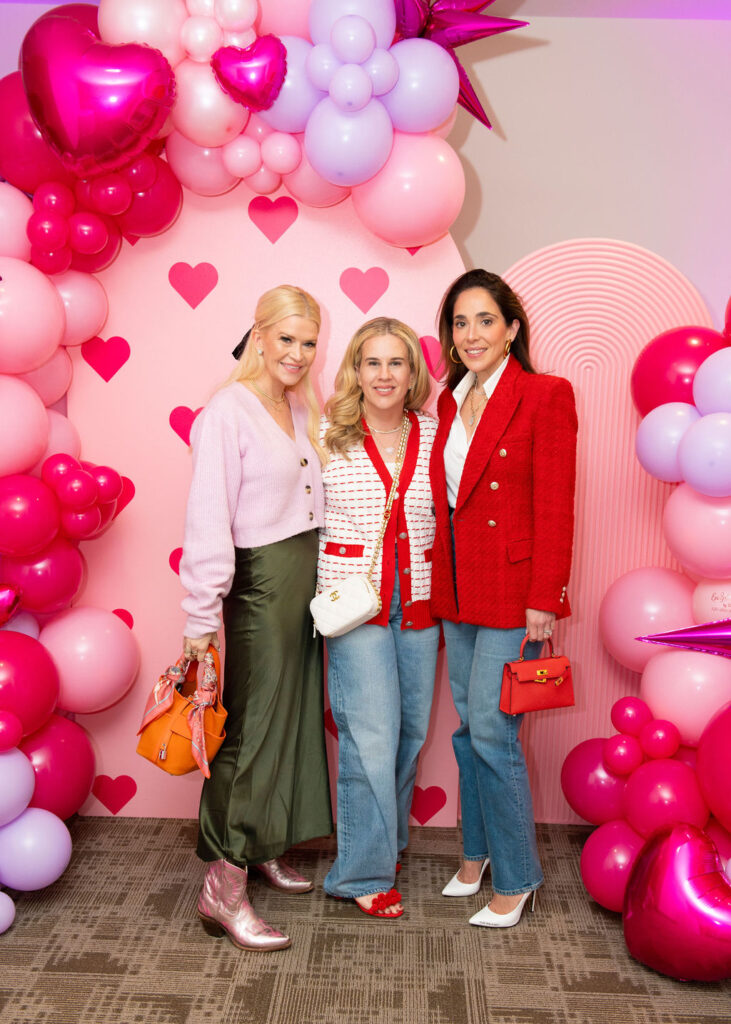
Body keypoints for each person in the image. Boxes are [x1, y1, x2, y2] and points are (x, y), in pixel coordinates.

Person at [179, 284, 333, 951]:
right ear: (260, 336)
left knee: (295, 720)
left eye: (308, 342)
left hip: (305, 581)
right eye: (287, 339)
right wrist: (198, 618)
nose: (297, 353)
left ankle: (263, 841)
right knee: (252, 731)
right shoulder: (227, 411)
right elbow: (208, 517)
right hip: (261, 587)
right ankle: (222, 883)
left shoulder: (299, 406)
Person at [429, 269, 578, 928]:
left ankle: (517, 877)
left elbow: (554, 504)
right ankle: (477, 851)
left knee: (494, 732)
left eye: (484, 320)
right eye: (460, 322)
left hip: (516, 595)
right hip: (459, 588)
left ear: (512, 328)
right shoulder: (445, 400)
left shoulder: (544, 395)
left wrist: (543, 597)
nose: (471, 334)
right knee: (469, 728)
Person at [318, 317, 440, 919]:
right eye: (373, 362)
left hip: (419, 602)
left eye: (397, 363)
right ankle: (360, 872)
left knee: (410, 734)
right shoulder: (325, 435)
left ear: (412, 372)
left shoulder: (435, 434)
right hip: (355, 606)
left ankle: (385, 845)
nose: (385, 375)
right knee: (371, 734)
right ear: (356, 371)